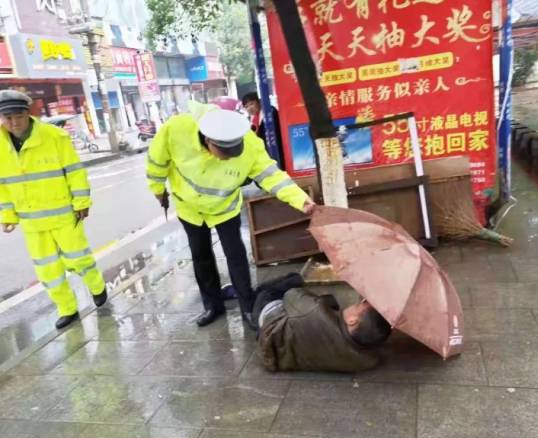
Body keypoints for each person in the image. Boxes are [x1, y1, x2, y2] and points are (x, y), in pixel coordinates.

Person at [146, 102, 315, 328]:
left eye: (234, 152)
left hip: (225, 208)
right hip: (190, 208)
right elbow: (156, 162)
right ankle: (212, 306)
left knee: (235, 254)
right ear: (208, 140)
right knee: (200, 255)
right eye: (223, 152)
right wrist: (158, 190)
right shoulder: (176, 129)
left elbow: (271, 176)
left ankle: (247, 306)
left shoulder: (251, 145)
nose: (228, 157)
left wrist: (300, 199)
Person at [0, 90, 107, 329]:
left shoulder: (54, 136)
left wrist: (81, 202)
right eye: (7, 117)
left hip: (64, 214)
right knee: (48, 270)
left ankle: (97, 287)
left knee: (79, 259)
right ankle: (67, 309)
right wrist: (6, 215)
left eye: (17, 116)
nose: (13, 122)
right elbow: (1, 184)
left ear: (28, 113)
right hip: (31, 221)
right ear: (0, 118)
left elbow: (74, 170)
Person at [253, 273, 391, 372]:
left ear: (352, 320)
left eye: (360, 304)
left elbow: (292, 295)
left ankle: (251, 303)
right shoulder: (365, 360)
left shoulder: (315, 310)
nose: (358, 303)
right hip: (289, 350)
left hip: (269, 330)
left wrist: (318, 300)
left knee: (280, 286)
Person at [241, 92, 285, 170]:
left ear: (259, 102)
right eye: (246, 106)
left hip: (277, 152)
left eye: (251, 104)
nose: (249, 108)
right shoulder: (253, 119)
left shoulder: (269, 112)